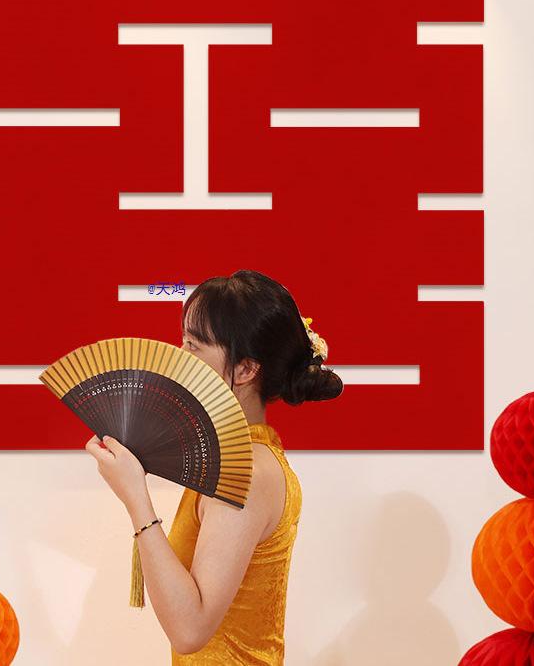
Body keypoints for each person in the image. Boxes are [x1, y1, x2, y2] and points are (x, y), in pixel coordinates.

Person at [85, 269, 343, 664]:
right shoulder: (243, 454)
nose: (178, 357)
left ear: (245, 369)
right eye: (183, 341)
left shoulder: (248, 471)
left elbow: (190, 629)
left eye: (194, 346)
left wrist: (135, 497)